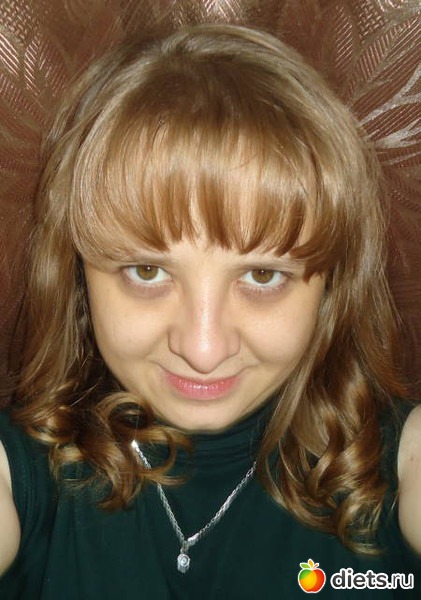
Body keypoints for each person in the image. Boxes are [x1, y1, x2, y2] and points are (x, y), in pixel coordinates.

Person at [0, 23, 420, 599]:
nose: (203, 349)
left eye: (263, 276)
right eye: (147, 271)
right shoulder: (23, 474)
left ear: (330, 286)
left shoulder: (403, 462)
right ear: (80, 278)